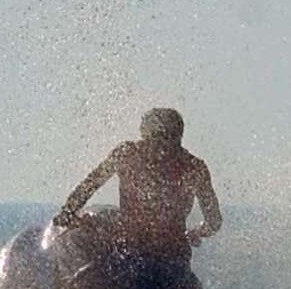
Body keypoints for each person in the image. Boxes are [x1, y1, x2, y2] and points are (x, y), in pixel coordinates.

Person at [54, 107, 222, 266]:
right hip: (162, 254)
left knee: (94, 227)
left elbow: (90, 184)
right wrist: (195, 233)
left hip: (141, 252)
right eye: (160, 138)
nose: (163, 148)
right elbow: (213, 222)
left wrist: (69, 211)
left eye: (168, 138)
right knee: (96, 221)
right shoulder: (193, 166)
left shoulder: (129, 154)